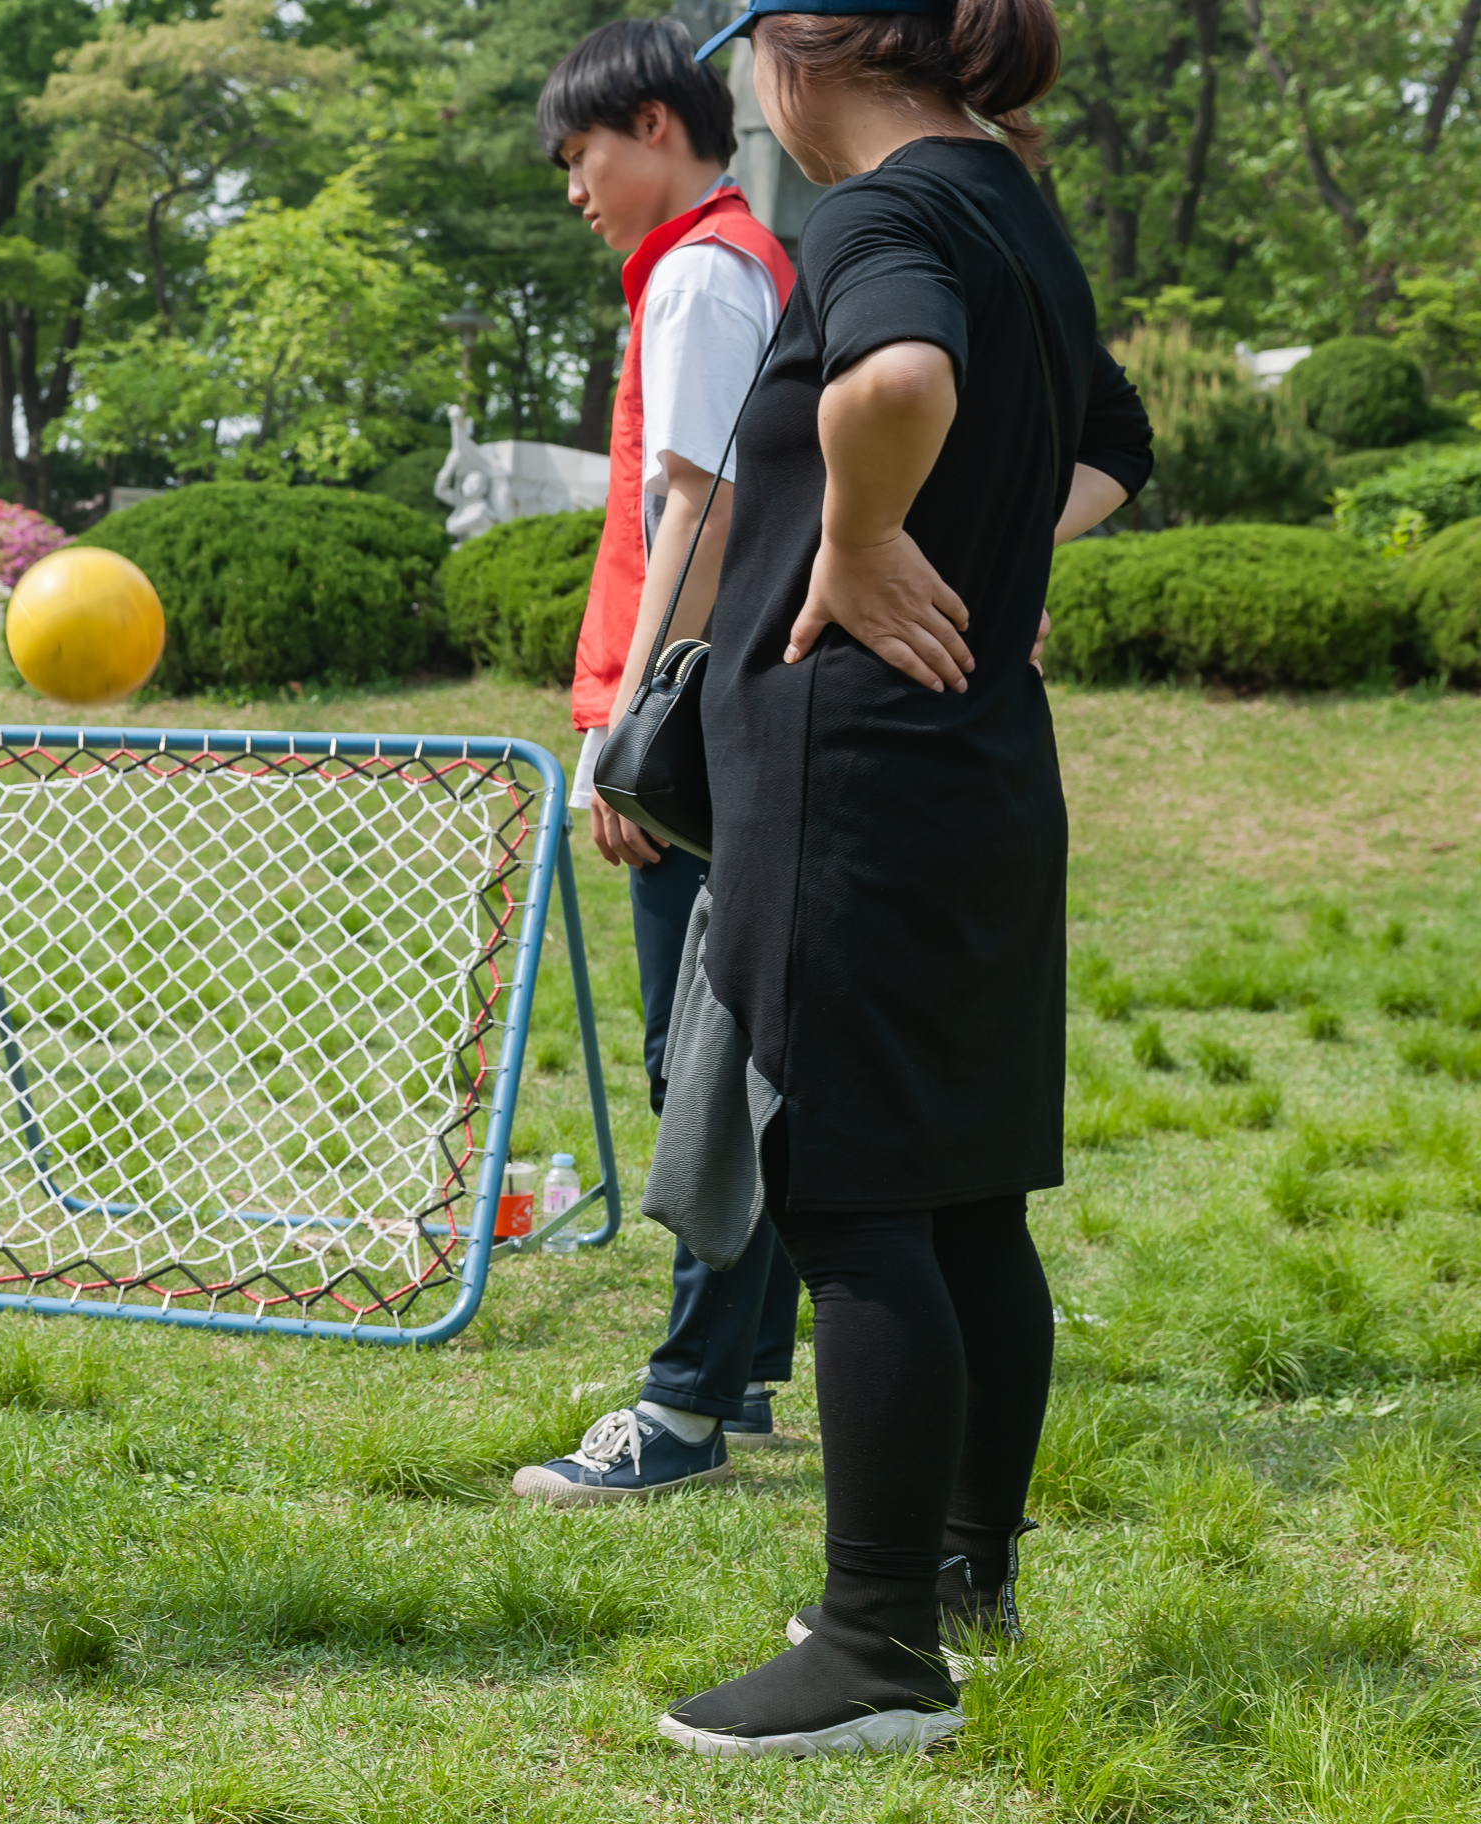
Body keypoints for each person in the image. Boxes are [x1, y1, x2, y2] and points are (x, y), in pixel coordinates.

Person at [648, 0, 1151, 1758]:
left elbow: (899, 382)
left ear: (798, 52)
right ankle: (959, 1576)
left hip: (856, 769)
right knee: (965, 1195)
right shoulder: (1015, 204)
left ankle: (872, 1650)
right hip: (982, 762)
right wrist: (990, 551)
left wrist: (870, 537)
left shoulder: (870, 212)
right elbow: (1117, 438)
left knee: (857, 1197)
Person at [505, 18, 805, 1508]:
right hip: (738, 723)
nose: (575, 189)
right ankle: (745, 1373)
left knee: (701, 1073)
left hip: (696, 733)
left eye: (580, 155)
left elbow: (704, 506)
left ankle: (681, 1405)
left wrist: (633, 743)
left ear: (654, 123)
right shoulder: (739, 258)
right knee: (742, 1057)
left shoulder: (699, 271)